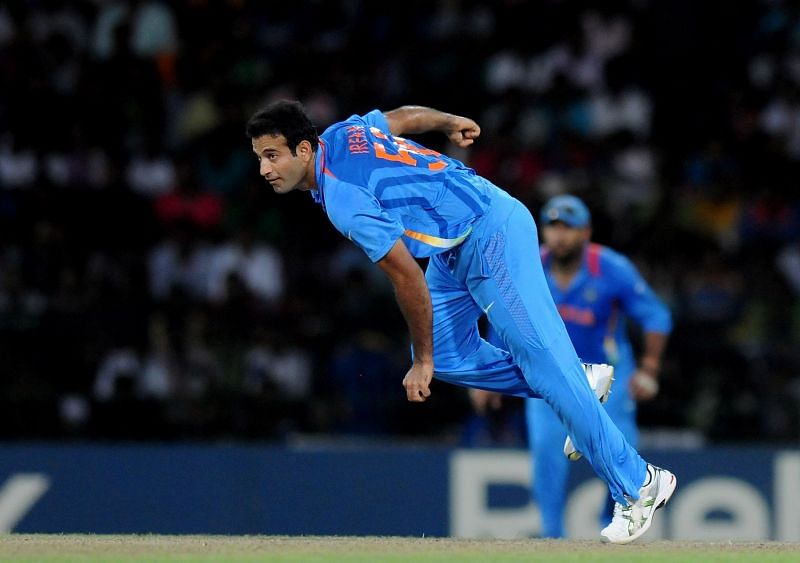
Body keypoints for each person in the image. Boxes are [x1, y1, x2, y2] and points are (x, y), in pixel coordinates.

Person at [245, 100, 676, 544]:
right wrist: (447, 122)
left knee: (504, 362)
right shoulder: (338, 135)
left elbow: (406, 276)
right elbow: (403, 118)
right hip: (453, 246)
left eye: (272, 155)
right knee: (454, 357)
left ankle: (641, 483)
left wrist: (422, 360)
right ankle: (577, 383)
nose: (263, 169)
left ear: (302, 149)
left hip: (490, 232)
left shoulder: (343, 200)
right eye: (259, 157)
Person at [474, 194, 673, 538]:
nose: (559, 236)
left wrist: (650, 367)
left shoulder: (611, 267)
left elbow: (656, 315)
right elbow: (501, 321)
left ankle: (614, 518)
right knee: (546, 454)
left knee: (619, 447)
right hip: (547, 375)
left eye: (569, 228)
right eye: (553, 228)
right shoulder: (526, 265)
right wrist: (483, 379)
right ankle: (553, 536)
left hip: (609, 374)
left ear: (586, 232)